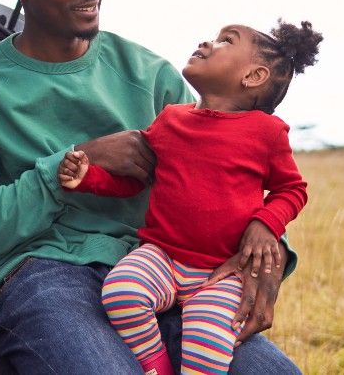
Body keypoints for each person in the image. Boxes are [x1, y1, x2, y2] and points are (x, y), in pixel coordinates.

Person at [0, 0, 301, 374]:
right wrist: (73, 163)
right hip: (41, 273)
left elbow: (230, 177)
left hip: (161, 268)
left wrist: (269, 256)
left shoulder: (151, 75)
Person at [59, 20, 321, 374]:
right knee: (121, 293)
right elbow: (137, 181)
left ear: (254, 76)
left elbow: (292, 189)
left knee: (208, 341)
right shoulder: (170, 120)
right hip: (162, 256)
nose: (208, 42)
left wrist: (266, 223)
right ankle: (159, 369)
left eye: (226, 41)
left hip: (221, 274)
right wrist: (89, 178)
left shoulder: (266, 132)